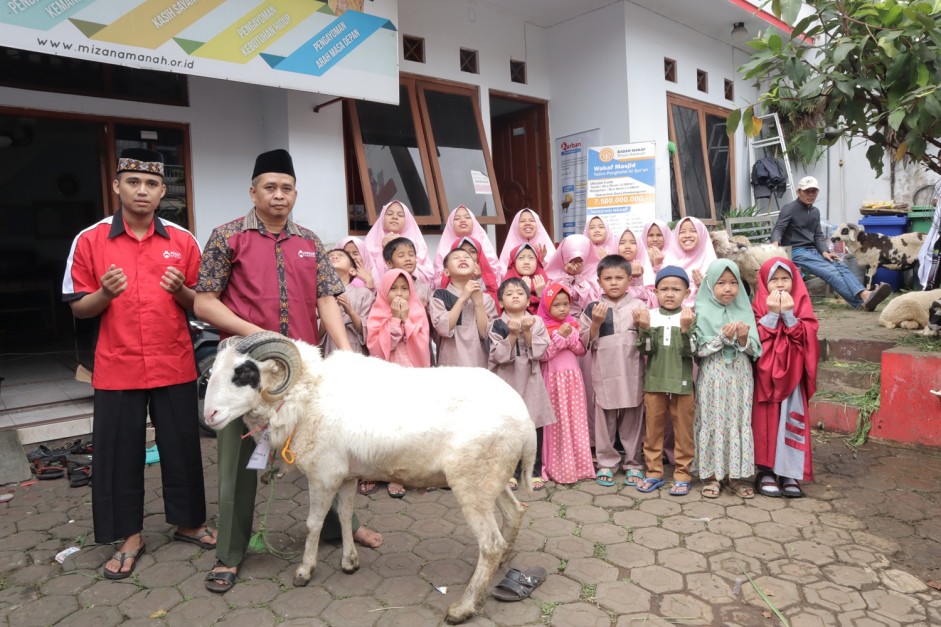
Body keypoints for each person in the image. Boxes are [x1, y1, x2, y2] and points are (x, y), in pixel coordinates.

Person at [194, 149, 382, 593]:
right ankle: (230, 552)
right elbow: (204, 301)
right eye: (270, 187)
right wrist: (256, 332)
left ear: (295, 192)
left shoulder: (310, 242)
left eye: (286, 188)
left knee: (327, 447)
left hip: (302, 372)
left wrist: (343, 348)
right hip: (245, 370)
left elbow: (325, 300)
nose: (279, 196)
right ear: (253, 191)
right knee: (237, 461)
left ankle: (341, 527)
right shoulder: (227, 237)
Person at [62, 148, 215, 580]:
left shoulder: (183, 241)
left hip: (174, 362)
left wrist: (182, 292)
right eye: (133, 182)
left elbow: (200, 304)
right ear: (117, 185)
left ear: (163, 190)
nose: (142, 191)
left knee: (183, 447)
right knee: (118, 453)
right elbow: (78, 308)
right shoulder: (90, 240)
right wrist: (105, 294)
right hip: (117, 364)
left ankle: (188, 522)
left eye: (151, 184)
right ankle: (128, 534)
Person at [692, 260, 761, 499]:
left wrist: (743, 339)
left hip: (739, 376)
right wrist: (722, 338)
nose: (728, 288)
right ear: (710, 285)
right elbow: (697, 351)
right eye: (721, 283)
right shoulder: (700, 311)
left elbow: (755, 351)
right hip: (713, 375)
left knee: (738, 420)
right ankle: (711, 475)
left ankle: (735, 476)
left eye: (733, 283)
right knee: (712, 418)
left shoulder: (745, 309)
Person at [751, 257, 819, 498]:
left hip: (793, 375)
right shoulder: (757, 304)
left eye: (785, 279)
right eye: (774, 280)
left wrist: (789, 315)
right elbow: (755, 337)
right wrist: (771, 315)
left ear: (794, 281)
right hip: (765, 375)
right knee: (766, 421)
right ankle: (766, 471)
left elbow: (808, 334)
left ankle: (789, 473)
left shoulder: (802, 302)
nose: (780, 285)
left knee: (789, 417)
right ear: (764, 283)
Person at [771, 176, 890, 311]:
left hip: (814, 251)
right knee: (830, 271)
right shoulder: (789, 208)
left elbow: (818, 236)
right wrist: (775, 243)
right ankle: (861, 300)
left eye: (813, 191)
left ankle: (864, 296)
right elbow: (778, 228)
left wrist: (825, 252)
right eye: (807, 191)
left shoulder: (815, 212)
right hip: (796, 251)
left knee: (840, 265)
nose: (810, 194)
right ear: (799, 192)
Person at [579, 256, 647, 488]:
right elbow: (584, 344)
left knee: (632, 418)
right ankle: (606, 463)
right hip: (605, 372)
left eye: (620, 278)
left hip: (632, 370)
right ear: (599, 281)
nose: (614, 283)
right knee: (604, 418)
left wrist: (643, 326)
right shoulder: (593, 308)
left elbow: (649, 343)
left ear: (630, 280)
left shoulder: (639, 306)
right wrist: (596, 322)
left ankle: (634, 463)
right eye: (608, 278)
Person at [367, 269, 431, 498]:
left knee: (410, 424)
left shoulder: (417, 310)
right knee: (387, 424)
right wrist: (394, 320)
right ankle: (380, 469)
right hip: (387, 376)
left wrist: (406, 320)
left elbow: (422, 342)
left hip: (412, 374)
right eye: (393, 288)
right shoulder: (378, 311)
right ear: (384, 290)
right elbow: (375, 345)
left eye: (404, 288)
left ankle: (403, 473)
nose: (399, 293)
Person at [634, 266, 696, 497]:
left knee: (683, 430)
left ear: (686, 293)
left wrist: (686, 329)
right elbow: (647, 350)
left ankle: (682, 474)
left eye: (676, 289)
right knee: (653, 430)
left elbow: (692, 352)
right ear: (655, 291)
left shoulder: (690, 316)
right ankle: (653, 472)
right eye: (664, 289)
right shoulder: (650, 315)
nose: (670, 294)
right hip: (655, 383)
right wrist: (645, 329)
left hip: (682, 383)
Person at [489, 277, 555, 490]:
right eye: (509, 294)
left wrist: (526, 332)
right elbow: (498, 356)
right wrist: (512, 335)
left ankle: (533, 471)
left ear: (528, 301)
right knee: (507, 427)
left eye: (520, 293)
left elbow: (540, 352)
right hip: (506, 380)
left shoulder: (537, 322)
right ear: (500, 302)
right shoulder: (496, 324)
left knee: (534, 425)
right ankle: (509, 472)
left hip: (531, 379)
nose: (515, 296)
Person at [536, 282, 594, 485]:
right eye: (556, 305)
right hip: (553, 379)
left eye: (565, 304)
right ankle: (559, 467)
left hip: (573, 380)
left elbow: (581, 350)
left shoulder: (574, 324)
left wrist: (570, 337)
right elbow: (543, 355)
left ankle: (579, 466)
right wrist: (560, 337)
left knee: (575, 420)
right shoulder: (541, 326)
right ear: (546, 306)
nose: (562, 309)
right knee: (557, 423)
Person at [430, 248, 497, 367]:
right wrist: (463, 298)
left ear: (475, 268)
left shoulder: (486, 299)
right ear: (446, 272)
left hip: (479, 363)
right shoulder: (440, 295)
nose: (462, 259)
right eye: (456, 258)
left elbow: (486, 334)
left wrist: (478, 303)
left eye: (467, 257)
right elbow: (443, 328)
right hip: (450, 364)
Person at [364, 200, 434, 286]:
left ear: (407, 219)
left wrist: (398, 249)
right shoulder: (370, 242)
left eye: (400, 215)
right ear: (382, 217)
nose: (394, 217)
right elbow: (366, 273)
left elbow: (428, 277)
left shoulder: (417, 242)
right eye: (389, 214)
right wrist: (387, 251)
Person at [321, 249, 374, 357]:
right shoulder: (320, 297)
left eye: (340, 255)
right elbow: (315, 332)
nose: (334, 257)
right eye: (330, 256)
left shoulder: (364, 293)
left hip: (354, 345)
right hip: (328, 347)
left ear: (353, 271)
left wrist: (350, 312)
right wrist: (329, 311)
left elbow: (368, 329)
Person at [434, 205, 505, 286]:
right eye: (457, 218)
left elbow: (493, 272)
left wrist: (478, 278)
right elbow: (439, 278)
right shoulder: (444, 247)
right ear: (450, 224)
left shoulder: (483, 242)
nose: (462, 220)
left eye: (467, 217)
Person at [663, 216, 717, 306]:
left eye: (693, 231)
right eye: (682, 232)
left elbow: (722, 297)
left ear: (702, 234)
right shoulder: (668, 261)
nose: (687, 235)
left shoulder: (712, 263)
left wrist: (703, 287)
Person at [440, 236, 501, 309]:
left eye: (472, 251)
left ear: (479, 256)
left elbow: (493, 307)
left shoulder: (487, 280)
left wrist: (478, 280)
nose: (465, 257)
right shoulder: (441, 294)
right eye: (462, 251)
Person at [383, 237, 434, 307]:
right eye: (401, 256)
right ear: (389, 264)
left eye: (411, 255)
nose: (408, 259)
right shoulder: (384, 288)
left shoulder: (425, 289)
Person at [503, 243, 549, 314]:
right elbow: (510, 312)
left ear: (537, 262)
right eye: (521, 258)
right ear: (514, 262)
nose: (526, 262)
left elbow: (551, 314)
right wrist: (525, 293)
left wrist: (541, 295)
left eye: (531, 258)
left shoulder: (544, 282)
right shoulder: (507, 285)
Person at [617, 226, 656, 303]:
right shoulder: (610, 268)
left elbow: (650, 301)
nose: (627, 246)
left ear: (639, 246)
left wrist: (637, 281)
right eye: (622, 243)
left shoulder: (645, 267)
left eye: (633, 242)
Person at [916, 178, 941, 290]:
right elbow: (935, 201)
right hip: (938, 228)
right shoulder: (939, 182)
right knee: (932, 255)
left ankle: (930, 288)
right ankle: (930, 288)